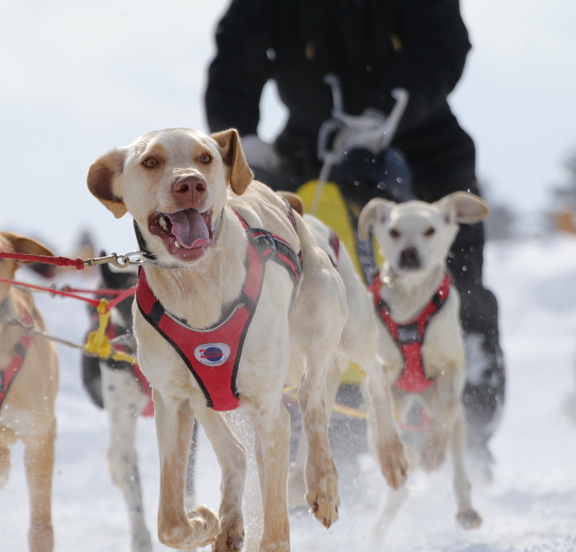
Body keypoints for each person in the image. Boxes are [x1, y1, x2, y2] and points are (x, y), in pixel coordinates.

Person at [204, 0, 504, 469]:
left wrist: (388, 110)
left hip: (422, 138)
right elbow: (235, 54)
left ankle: (472, 421)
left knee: (457, 278)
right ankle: (306, 415)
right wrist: (240, 136)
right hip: (308, 146)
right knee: (277, 273)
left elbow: (442, 42)